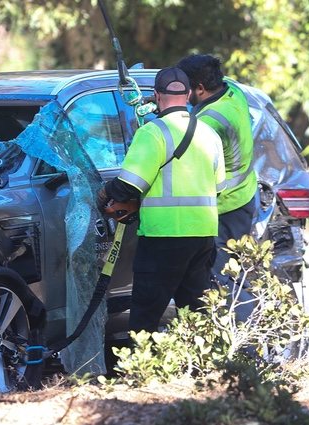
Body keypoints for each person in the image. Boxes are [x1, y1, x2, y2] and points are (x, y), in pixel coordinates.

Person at [98, 67, 226, 333]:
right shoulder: (209, 134)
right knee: (197, 316)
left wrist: (104, 193)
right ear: (189, 94)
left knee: (145, 316)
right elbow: (220, 186)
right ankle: (205, 371)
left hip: (163, 238)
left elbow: (128, 186)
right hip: (202, 236)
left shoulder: (153, 133)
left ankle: (141, 373)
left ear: (156, 95)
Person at [176, 54, 258, 313]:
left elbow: (178, 151)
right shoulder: (232, 91)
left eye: (184, 88)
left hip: (226, 205)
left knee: (224, 279)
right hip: (243, 196)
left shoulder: (210, 121)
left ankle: (242, 346)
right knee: (235, 272)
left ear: (200, 88)